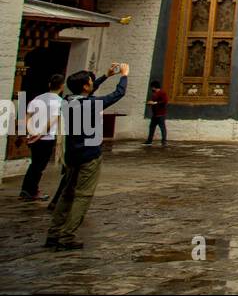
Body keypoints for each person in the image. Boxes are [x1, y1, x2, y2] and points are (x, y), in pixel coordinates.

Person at [46, 64, 129, 251]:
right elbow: (117, 94)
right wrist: (124, 76)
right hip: (89, 155)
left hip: (72, 155)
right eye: (90, 82)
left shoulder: (68, 101)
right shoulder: (89, 105)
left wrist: (105, 76)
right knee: (83, 195)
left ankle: (54, 232)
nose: (92, 84)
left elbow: (87, 94)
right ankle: (67, 236)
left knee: (67, 194)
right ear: (85, 86)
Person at [19, 73, 65, 201]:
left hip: (33, 135)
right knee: (39, 166)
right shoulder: (59, 102)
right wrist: (40, 134)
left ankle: (27, 189)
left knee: (34, 164)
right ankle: (31, 190)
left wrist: (29, 132)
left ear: (49, 85)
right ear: (62, 86)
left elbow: (28, 116)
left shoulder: (37, 98)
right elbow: (52, 121)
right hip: (46, 138)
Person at [145, 81, 168, 146]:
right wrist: (150, 103)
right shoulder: (155, 94)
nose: (152, 89)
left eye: (152, 87)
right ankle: (149, 141)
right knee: (152, 127)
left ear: (154, 87)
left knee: (162, 128)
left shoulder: (162, 93)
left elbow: (165, 101)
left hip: (161, 114)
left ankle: (164, 141)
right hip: (155, 114)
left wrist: (155, 103)